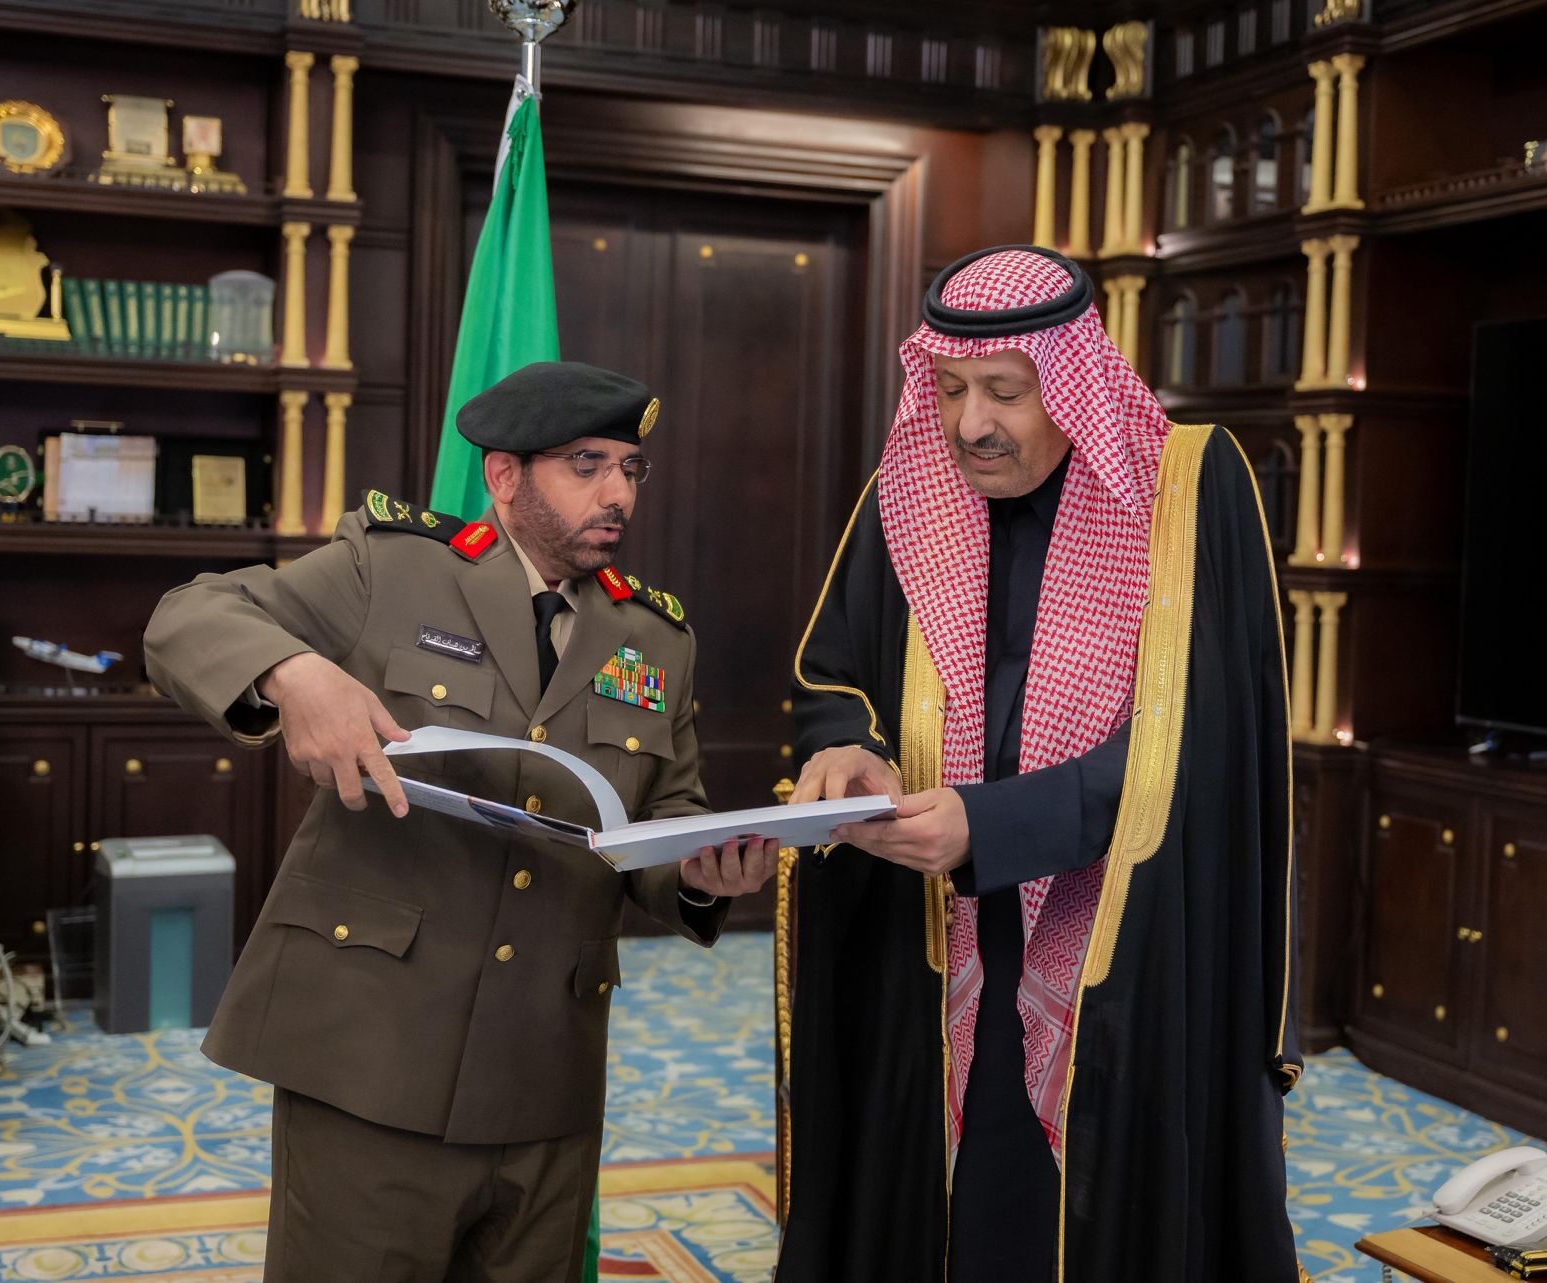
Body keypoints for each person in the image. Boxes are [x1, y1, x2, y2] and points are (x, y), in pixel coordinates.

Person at [144, 360, 773, 1283]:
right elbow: (185, 616)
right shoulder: (393, 567)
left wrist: (696, 872)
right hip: (373, 1053)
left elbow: (661, 812)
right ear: (505, 475)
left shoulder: (655, 638)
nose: (618, 493)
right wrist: (293, 673)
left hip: (547, 1071)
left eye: (631, 468)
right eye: (587, 464)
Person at [775, 246, 1301, 1282]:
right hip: (932, 929)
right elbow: (831, 672)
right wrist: (846, 744)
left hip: (1121, 929)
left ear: (1070, 385)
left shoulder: (1189, 490)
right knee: (946, 1202)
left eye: (1004, 392)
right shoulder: (908, 488)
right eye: (948, 389)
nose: (970, 422)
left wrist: (995, 824)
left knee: (1071, 1206)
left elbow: (1204, 734)